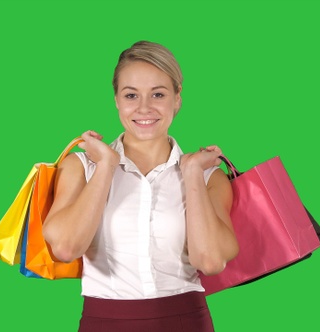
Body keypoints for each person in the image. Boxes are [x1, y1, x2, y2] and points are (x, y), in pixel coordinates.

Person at [42, 41, 239, 332]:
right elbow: (66, 248)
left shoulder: (208, 176)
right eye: (131, 95)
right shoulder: (82, 167)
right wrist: (107, 165)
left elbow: (210, 262)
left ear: (177, 99)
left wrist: (193, 171)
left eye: (158, 94)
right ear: (117, 101)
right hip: (103, 323)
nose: (144, 108)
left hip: (186, 322)